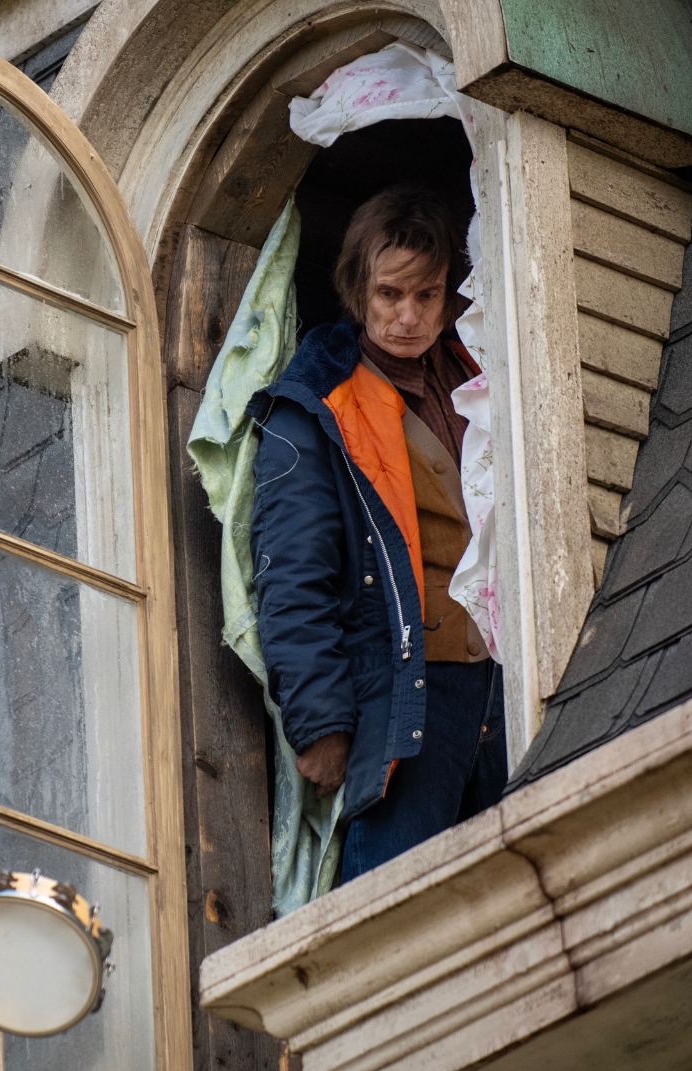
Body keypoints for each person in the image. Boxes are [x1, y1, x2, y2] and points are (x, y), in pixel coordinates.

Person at [247, 186, 506, 882]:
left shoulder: (486, 372)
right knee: (396, 908)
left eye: (428, 295)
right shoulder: (315, 407)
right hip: (406, 698)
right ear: (357, 289)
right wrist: (322, 725)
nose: (408, 316)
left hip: (510, 681)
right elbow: (292, 575)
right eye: (390, 294)